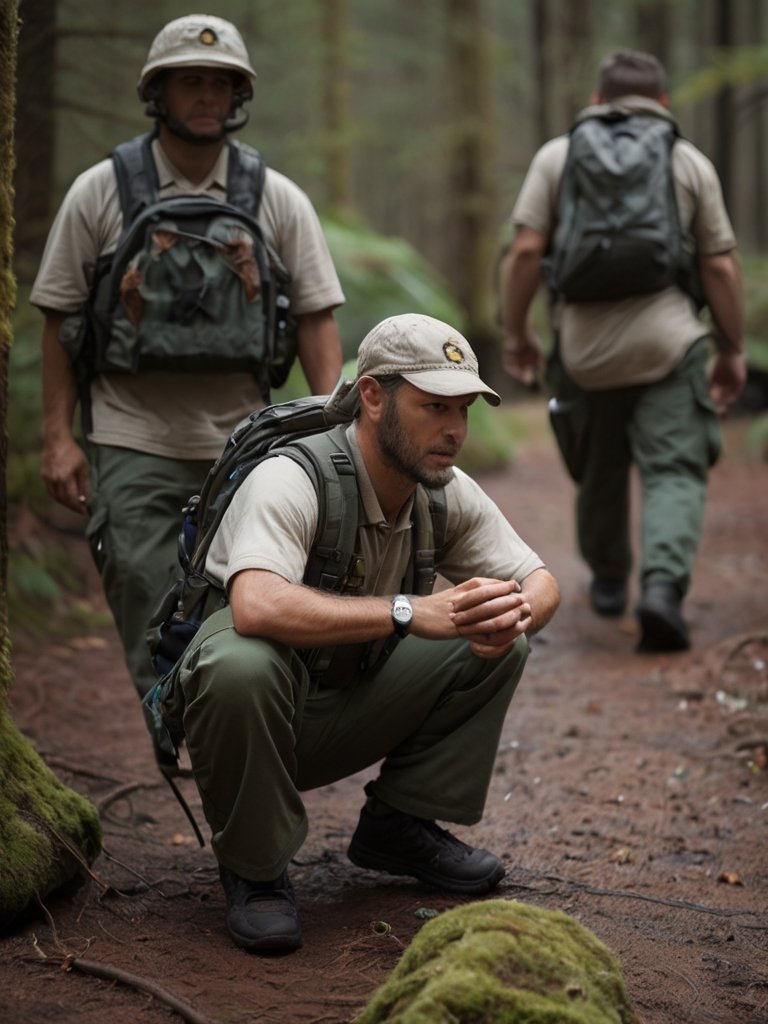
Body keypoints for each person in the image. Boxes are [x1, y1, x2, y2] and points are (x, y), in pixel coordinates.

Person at [154, 312, 560, 954]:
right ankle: (256, 871)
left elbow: (539, 579)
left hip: (343, 702)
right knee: (239, 660)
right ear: (372, 396)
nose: (454, 431)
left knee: (501, 631)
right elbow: (255, 605)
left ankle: (398, 825)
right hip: (253, 719)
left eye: (464, 411)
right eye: (434, 407)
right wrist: (407, 610)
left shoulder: (441, 489)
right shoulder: (292, 478)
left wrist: (511, 614)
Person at [30, 14, 344, 700]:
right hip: (129, 438)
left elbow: (317, 315)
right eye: (189, 82)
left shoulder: (276, 198)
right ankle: (176, 742)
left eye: (220, 84)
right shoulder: (101, 191)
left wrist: (333, 433)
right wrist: (57, 438)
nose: (206, 96)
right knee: (147, 605)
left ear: (239, 97)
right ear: (158, 93)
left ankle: (223, 744)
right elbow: (58, 317)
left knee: (247, 607)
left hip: (246, 444)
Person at [499, 50, 745, 652]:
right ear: (663, 104)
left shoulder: (557, 156)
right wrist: (731, 347)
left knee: (600, 467)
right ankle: (661, 588)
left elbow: (526, 253)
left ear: (596, 102)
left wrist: (518, 334)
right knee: (674, 469)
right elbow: (718, 264)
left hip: (584, 348)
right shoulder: (686, 160)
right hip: (670, 339)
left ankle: (609, 581)